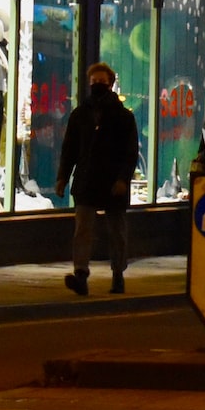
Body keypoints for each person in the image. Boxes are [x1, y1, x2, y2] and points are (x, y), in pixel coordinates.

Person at [58, 62, 139, 297]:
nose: (97, 86)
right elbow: (69, 148)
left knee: (117, 231)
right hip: (86, 179)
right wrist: (63, 176)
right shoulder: (80, 114)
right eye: (94, 82)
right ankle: (81, 274)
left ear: (111, 84)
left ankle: (118, 274)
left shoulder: (123, 117)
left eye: (101, 82)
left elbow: (130, 151)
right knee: (83, 229)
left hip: (114, 181)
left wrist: (123, 178)